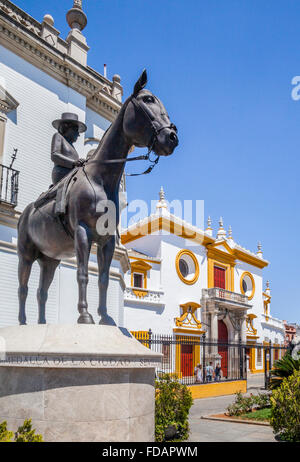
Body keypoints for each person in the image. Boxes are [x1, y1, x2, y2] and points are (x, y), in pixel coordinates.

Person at [51, 112, 87, 185]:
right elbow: (55, 155)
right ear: (67, 127)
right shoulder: (58, 136)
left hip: (74, 175)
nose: (78, 134)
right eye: (76, 130)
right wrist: (73, 163)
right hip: (61, 174)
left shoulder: (72, 146)